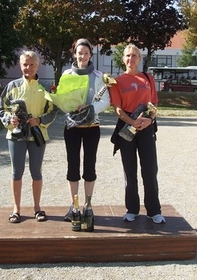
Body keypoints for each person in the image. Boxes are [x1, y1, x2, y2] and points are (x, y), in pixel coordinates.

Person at [0, 51, 57, 223]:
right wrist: (10, 120)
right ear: (20, 65)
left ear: (37, 66)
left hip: (37, 135)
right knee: (17, 173)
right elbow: (1, 108)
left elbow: (53, 111)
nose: (28, 68)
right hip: (16, 136)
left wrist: (39, 120)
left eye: (32, 64)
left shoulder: (46, 88)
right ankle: (16, 209)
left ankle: (37, 208)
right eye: (25, 64)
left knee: (36, 172)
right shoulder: (12, 86)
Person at [109, 44, 166, 224]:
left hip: (146, 127)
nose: (130, 59)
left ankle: (154, 210)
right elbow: (118, 109)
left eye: (134, 56)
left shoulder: (148, 79)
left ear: (139, 59)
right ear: (123, 58)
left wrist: (150, 120)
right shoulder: (117, 81)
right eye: (127, 56)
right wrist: (132, 122)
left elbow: (154, 105)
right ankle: (132, 209)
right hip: (126, 128)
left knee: (150, 170)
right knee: (130, 171)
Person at [60, 38, 111, 221]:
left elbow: (106, 100)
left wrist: (90, 108)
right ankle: (74, 206)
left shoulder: (98, 76)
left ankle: (88, 206)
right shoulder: (67, 74)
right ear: (74, 53)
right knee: (72, 166)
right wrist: (69, 105)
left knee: (90, 167)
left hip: (92, 127)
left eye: (86, 53)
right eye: (79, 53)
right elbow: (62, 99)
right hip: (72, 126)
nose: (83, 56)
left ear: (91, 55)